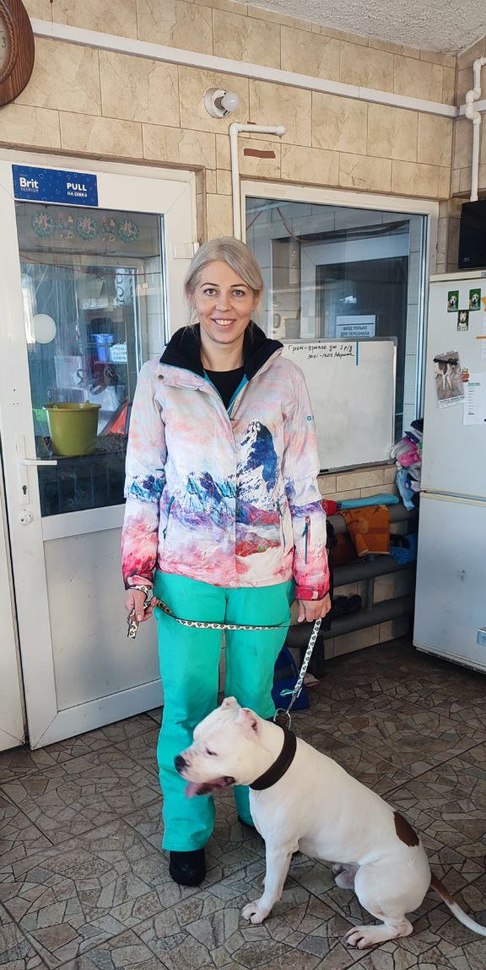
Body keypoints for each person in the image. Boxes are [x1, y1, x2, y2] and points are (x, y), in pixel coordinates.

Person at [122, 237, 331, 887]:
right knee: (187, 709)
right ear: (191, 296)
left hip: (266, 576)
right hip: (185, 576)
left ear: (254, 299)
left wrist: (314, 577)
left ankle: (254, 807)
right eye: (210, 290)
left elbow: (303, 484)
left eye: (238, 291)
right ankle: (186, 831)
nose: (224, 305)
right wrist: (138, 571)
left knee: (254, 708)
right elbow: (143, 482)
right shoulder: (160, 378)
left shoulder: (284, 378)